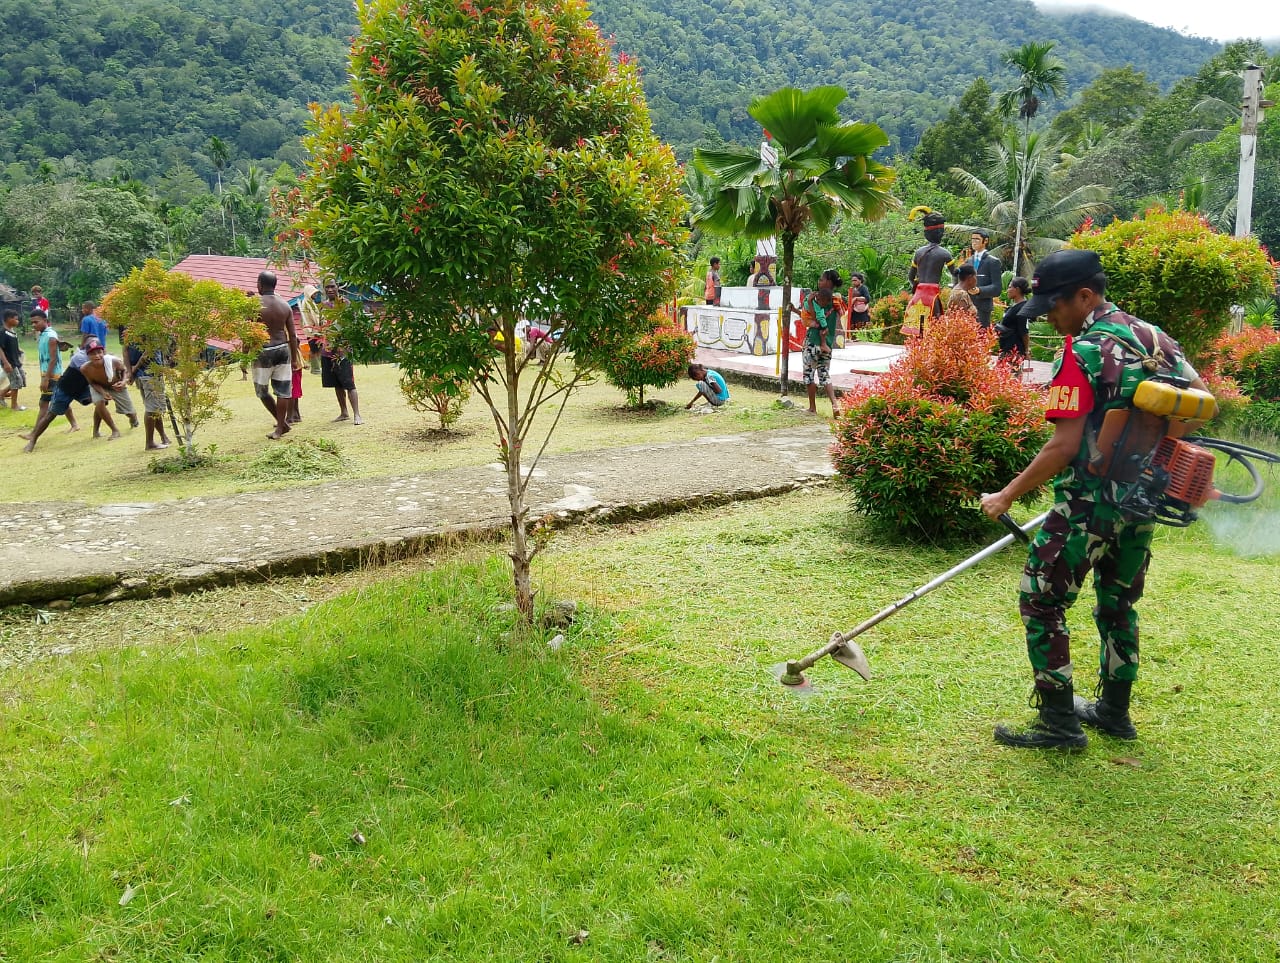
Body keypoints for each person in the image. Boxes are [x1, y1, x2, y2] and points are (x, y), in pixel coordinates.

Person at [980, 250, 1209, 752]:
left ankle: (1059, 725)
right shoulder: (1155, 338)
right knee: (1119, 605)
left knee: (1041, 601)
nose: (1050, 318)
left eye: (1054, 306)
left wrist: (1005, 495)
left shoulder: (1081, 352)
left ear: (1085, 296)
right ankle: (1114, 712)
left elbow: (1063, 446)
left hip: (1086, 505)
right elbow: (1200, 401)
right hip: (1140, 502)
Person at [19, 339, 110, 452]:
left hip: (82, 388)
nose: (97, 355)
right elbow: (92, 374)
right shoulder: (79, 358)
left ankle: (96, 431)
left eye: (99, 351)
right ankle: (32, 441)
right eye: (93, 352)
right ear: (86, 352)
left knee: (101, 401)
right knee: (51, 415)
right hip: (65, 389)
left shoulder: (104, 359)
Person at [253, 271, 302, 440]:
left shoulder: (255, 305)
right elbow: (292, 335)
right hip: (283, 349)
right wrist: (294, 358)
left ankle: (281, 426)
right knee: (283, 391)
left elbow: (249, 333)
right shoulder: (285, 305)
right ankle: (282, 426)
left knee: (262, 391)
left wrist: (245, 355)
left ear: (260, 284)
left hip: (263, 351)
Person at [788, 268, 842, 414]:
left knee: (809, 374)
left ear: (829, 282)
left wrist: (810, 302)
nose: (819, 282)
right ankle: (835, 404)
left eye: (822, 279)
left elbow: (813, 316)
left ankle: (812, 407)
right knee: (824, 374)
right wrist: (796, 311)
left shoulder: (816, 299)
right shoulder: (836, 301)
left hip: (812, 341)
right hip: (827, 344)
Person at [28, 308, 79, 433]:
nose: (34, 325)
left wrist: (46, 379)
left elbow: (53, 359)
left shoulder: (50, 336)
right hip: (49, 373)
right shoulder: (44, 334)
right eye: (32, 323)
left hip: (52, 375)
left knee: (44, 404)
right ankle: (74, 424)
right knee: (61, 399)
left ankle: (34, 433)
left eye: (36, 322)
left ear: (45, 320)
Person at [321, 280, 362, 424]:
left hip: (343, 350)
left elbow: (353, 324)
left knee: (349, 383)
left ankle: (357, 414)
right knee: (336, 384)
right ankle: (344, 412)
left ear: (338, 287)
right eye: (327, 287)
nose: (330, 289)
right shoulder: (323, 306)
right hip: (328, 350)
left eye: (332, 286)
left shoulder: (346, 304)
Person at [905, 212, 952, 336]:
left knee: (917, 332)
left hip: (918, 296)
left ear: (926, 234)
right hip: (932, 296)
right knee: (934, 331)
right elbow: (956, 275)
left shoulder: (918, 252)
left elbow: (910, 277)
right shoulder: (945, 253)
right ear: (941, 233)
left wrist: (917, 287)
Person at [127, 339, 172, 450]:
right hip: (150, 374)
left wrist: (131, 372)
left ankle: (163, 437)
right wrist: (133, 371)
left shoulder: (128, 331)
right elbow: (147, 353)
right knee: (152, 409)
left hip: (141, 375)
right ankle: (150, 443)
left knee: (154, 407)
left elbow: (125, 351)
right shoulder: (150, 332)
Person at [969, 229, 1003, 328]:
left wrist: (979, 290)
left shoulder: (993, 262)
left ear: (986, 241)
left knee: (982, 334)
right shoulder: (968, 261)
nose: (974, 242)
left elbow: (997, 288)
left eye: (977, 239)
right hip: (967, 306)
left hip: (983, 308)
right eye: (972, 239)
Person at [996, 277, 1032, 365]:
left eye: (1010, 287)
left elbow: (1024, 331)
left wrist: (1026, 350)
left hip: (1014, 352)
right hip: (1006, 348)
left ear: (1017, 289)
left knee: (1012, 373)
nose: (1007, 290)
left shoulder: (1023, 308)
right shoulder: (1014, 306)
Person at [1, 309, 26, 410]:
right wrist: (6, 363)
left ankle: (1, 393)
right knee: (16, 381)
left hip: (16, 361)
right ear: (8, 319)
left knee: (21, 379)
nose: (17, 321)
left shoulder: (12, 332)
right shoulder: (3, 332)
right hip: (9, 362)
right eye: (16, 319)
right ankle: (14, 405)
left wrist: (19, 350)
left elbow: (12, 346)